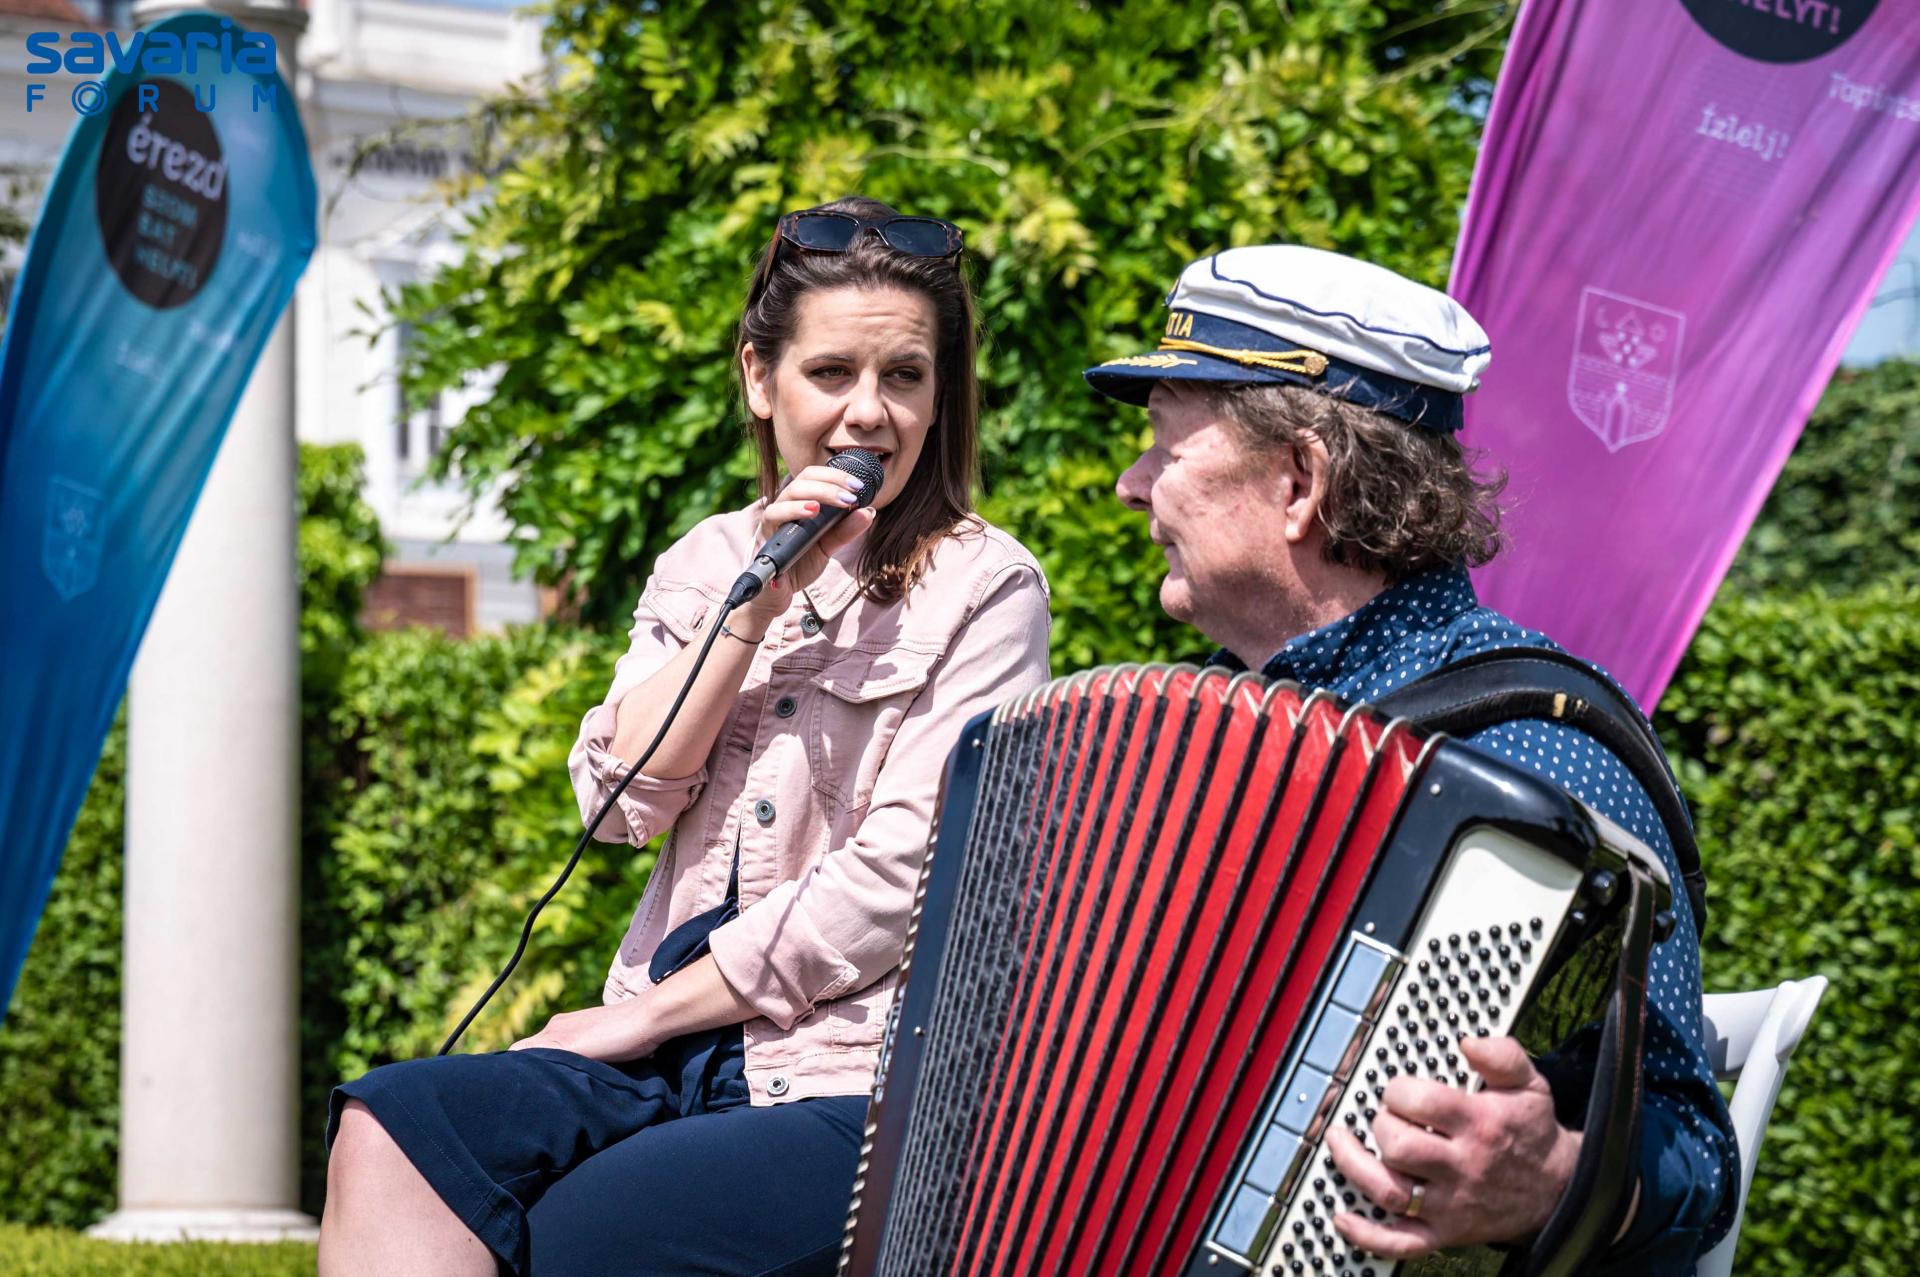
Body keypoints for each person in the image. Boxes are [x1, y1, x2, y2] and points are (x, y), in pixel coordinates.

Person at [318, 197, 1052, 1277]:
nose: (869, 412)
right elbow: (618, 804)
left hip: (846, 1067)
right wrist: (751, 607)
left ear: (940, 396)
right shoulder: (708, 562)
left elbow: (903, 879)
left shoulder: (987, 587)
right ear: (761, 377)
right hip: (666, 1051)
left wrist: (648, 1015)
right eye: (831, 372)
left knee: (582, 1235)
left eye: (904, 375)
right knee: (389, 1126)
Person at [1085, 245, 1737, 1273]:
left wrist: (1552, 1176)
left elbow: (1695, 1151)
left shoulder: (1530, 750)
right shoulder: (1198, 730)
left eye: (1163, 449)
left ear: (1298, 481)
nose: (1131, 487)